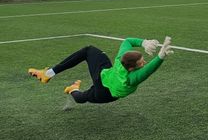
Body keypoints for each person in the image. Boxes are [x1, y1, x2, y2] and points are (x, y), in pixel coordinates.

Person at [28, 36, 174, 104]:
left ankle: (72, 89)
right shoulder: (130, 79)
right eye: (141, 63)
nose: (144, 63)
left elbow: (127, 41)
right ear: (131, 67)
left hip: (105, 83)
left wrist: (143, 42)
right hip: (104, 86)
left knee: (81, 95)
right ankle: (47, 74)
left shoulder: (121, 59)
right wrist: (160, 56)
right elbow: (148, 70)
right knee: (88, 52)